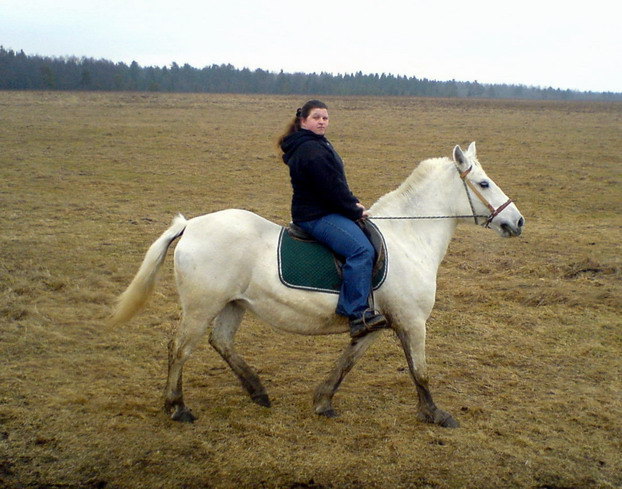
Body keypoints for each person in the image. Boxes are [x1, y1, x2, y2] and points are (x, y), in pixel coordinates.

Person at [278, 100, 387, 339]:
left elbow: (336, 183)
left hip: (325, 208)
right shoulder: (310, 149)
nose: (322, 122)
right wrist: (353, 210)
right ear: (303, 121)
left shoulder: (315, 143)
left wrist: (352, 202)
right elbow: (328, 188)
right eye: (316, 117)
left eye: (325, 118)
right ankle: (357, 314)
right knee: (361, 251)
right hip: (316, 215)